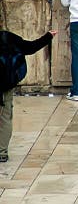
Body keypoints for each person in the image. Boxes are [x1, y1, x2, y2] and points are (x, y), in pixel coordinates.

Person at [1, 30, 56, 163]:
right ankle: (2, 152)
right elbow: (30, 48)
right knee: (5, 118)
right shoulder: (8, 38)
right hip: (5, 86)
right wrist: (48, 36)